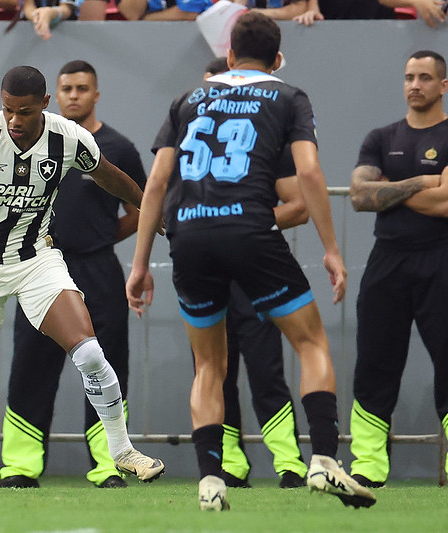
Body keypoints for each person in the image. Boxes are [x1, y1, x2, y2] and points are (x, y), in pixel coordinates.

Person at [126, 12, 376, 511]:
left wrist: (138, 265)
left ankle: (210, 478)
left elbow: (155, 184)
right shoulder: (288, 96)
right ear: (278, 59)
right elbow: (307, 170)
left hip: (189, 234)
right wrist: (331, 248)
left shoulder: (188, 99)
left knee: (209, 365)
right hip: (251, 230)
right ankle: (324, 459)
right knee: (309, 342)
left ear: (230, 54)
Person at [0, 65, 165, 494]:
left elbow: (108, 175)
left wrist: (149, 207)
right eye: (7, 110)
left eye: (24, 111)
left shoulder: (68, 138)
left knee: (90, 352)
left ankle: (123, 450)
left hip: (36, 258)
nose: (14, 120)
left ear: (44, 104)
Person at [0, 60, 147, 490]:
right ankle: (20, 466)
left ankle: (109, 464)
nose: (74, 95)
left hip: (98, 269)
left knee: (106, 364)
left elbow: (141, 207)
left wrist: (101, 237)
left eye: (83, 88)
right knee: (30, 365)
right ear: (53, 96)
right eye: (67, 88)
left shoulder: (119, 146)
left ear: (96, 93)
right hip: (38, 267)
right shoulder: (26, 141)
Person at [348, 50, 448, 489]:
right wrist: (425, 181)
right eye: (409, 76)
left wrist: (389, 188)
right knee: (374, 364)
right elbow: (357, 196)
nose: (415, 85)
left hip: (440, 259)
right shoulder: (379, 137)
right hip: (386, 261)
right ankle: (368, 466)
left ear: (443, 85)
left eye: (425, 77)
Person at [202, 58, 309, 491]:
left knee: (267, 371)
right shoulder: (189, 145)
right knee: (215, 371)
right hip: (206, 271)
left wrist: (245, 225)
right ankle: (231, 464)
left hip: (254, 270)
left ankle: (289, 463)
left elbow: (299, 204)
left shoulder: (266, 140)